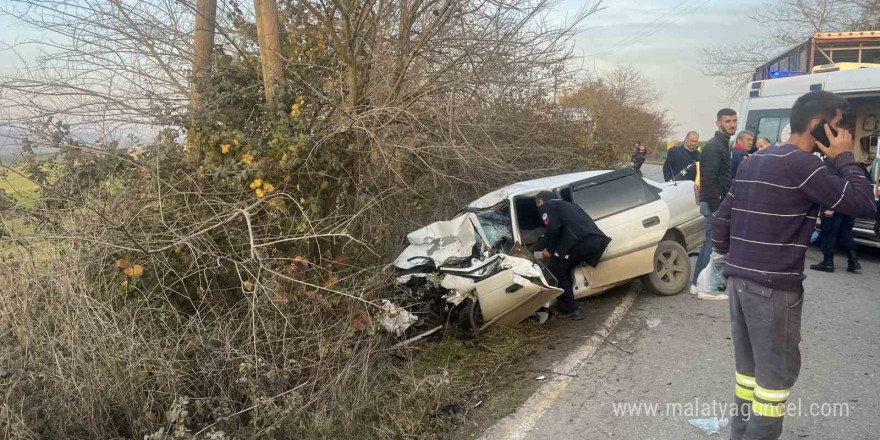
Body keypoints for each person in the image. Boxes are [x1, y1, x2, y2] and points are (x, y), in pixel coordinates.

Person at [711, 91, 875, 440]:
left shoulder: (756, 159)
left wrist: (728, 262)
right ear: (817, 126)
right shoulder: (803, 164)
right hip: (772, 289)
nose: (842, 133)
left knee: (748, 375)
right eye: (837, 126)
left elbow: (722, 220)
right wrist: (846, 158)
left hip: (740, 282)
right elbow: (863, 203)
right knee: (773, 385)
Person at [536, 190, 612, 320]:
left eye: (537, 203)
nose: (538, 206)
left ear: (540, 201)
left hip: (581, 243)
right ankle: (569, 306)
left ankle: (570, 309)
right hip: (596, 240)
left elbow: (553, 229)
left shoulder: (546, 206)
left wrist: (549, 250)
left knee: (556, 269)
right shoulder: (569, 205)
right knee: (564, 268)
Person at [692, 108, 737, 296]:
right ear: (718, 123)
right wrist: (718, 208)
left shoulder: (723, 144)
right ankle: (700, 285)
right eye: (727, 121)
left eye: (734, 121)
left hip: (717, 203)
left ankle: (701, 283)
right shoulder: (714, 146)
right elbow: (708, 180)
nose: (732, 124)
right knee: (711, 244)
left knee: (712, 244)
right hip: (713, 204)